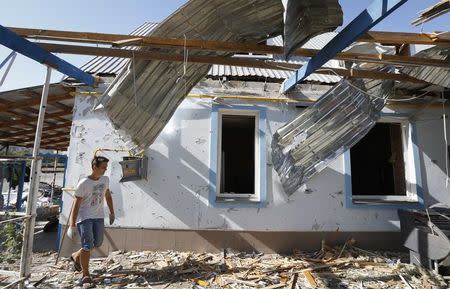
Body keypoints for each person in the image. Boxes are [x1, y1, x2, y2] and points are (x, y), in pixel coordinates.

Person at [67, 155, 115, 284]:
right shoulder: (83, 183)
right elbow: (76, 204)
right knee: (88, 245)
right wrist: (72, 225)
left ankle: (76, 256)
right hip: (85, 218)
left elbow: (108, 195)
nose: (105, 170)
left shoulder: (105, 180)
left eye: (106, 167)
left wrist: (112, 212)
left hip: (98, 217)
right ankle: (85, 274)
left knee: (97, 243)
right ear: (95, 167)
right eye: (103, 167)